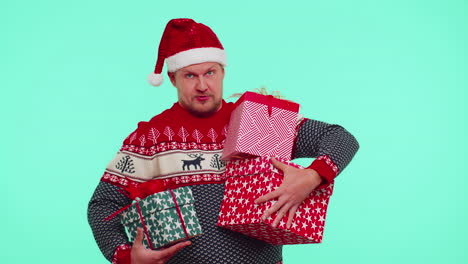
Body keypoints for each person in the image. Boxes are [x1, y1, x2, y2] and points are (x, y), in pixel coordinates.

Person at [88, 18, 359, 264]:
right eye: (190, 75)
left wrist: (312, 177)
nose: (203, 85)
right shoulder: (150, 137)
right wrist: (127, 257)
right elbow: (103, 206)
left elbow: (340, 138)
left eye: (210, 72)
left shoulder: (258, 121)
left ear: (223, 72)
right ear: (172, 78)